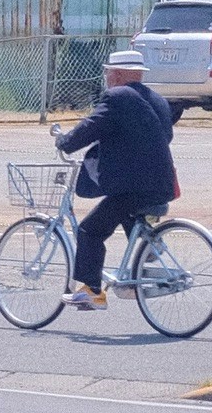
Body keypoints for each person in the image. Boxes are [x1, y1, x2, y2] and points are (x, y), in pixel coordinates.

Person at [53, 51, 178, 311]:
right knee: (122, 211)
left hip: (134, 186)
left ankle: (91, 291)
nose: (107, 77)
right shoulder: (157, 100)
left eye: (108, 72)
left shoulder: (117, 96)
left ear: (117, 74)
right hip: (162, 183)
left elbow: (90, 127)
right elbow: (162, 136)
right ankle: (148, 247)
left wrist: (65, 142)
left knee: (90, 230)